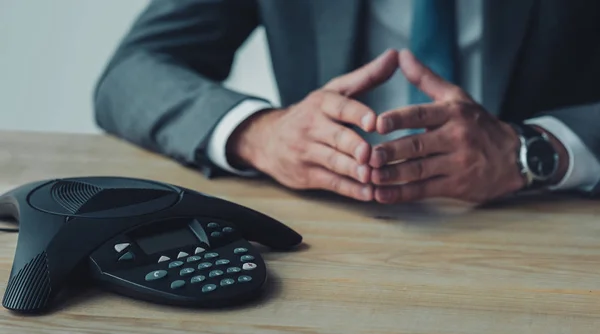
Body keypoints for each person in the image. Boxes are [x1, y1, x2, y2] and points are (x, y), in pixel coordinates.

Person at [94, 0, 600, 204]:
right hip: (329, 236)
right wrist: (262, 133)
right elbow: (132, 73)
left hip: (545, 228)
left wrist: (536, 149)